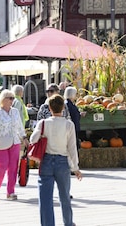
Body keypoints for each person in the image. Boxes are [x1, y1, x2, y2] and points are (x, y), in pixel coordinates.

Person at [31, 95, 82, 226]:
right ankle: (68, 222)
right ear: (63, 108)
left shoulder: (43, 123)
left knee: (45, 198)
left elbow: (33, 139)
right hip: (62, 161)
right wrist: (75, 168)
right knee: (65, 195)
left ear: (49, 108)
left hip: (46, 160)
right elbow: (72, 148)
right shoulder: (69, 125)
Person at [0, 89, 26, 200]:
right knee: (2, 165)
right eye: (9, 98)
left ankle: (11, 191)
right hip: (1, 142)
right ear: (3, 99)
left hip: (15, 141)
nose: (12, 100)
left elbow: (19, 126)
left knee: (13, 167)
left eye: (12, 98)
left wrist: (24, 137)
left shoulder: (15, 111)